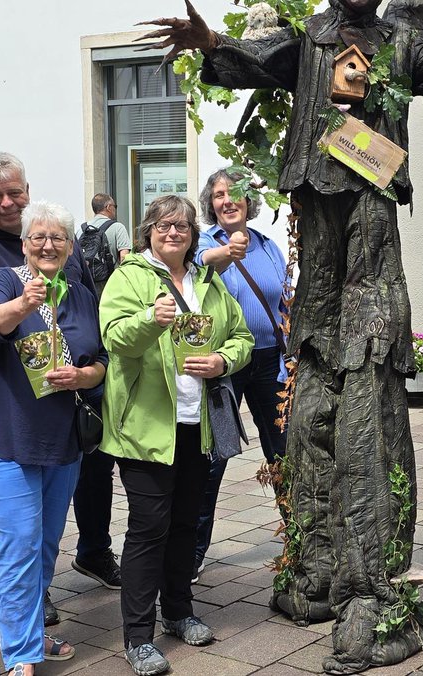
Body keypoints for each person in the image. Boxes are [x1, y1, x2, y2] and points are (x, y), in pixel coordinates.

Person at [139, 4, 423, 668]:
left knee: (365, 413)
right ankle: (316, 569)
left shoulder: (398, 43)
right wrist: (211, 41)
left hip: (371, 197)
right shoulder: (311, 39)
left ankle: (373, 595)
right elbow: (255, 61)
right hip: (315, 194)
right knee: (311, 411)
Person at [0, 152, 119, 620]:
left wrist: (89, 374)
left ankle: (81, 560)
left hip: (63, 411)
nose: (6, 202)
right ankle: (26, 623)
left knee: (65, 508)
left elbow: (84, 320)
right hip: (5, 407)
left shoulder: (63, 251)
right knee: (23, 532)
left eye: (14, 193)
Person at [98, 195, 253, 676]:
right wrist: (151, 319)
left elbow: (242, 337)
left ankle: (179, 611)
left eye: (182, 226)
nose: (173, 233)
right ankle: (138, 636)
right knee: (149, 528)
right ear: (149, 231)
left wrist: (222, 360)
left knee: (187, 521)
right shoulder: (129, 277)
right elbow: (114, 337)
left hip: (197, 423)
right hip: (145, 427)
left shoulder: (208, 280)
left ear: (192, 234)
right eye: (164, 225)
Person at [0, 200, 107, 676]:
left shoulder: (80, 294)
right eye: (38, 237)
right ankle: (21, 654)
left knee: (43, 544)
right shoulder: (4, 280)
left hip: (59, 439)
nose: (47, 245)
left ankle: (33, 632)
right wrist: (25, 303)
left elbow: (101, 360)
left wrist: (83, 376)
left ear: (70, 247)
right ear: (24, 245)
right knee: (21, 540)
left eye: (57, 237)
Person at [192, 168, 289, 582]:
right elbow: (197, 268)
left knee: (283, 451)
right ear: (210, 204)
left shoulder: (268, 246)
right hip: (225, 364)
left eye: (235, 193)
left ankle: (299, 539)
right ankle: (192, 554)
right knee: (214, 457)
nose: (227, 200)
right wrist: (225, 253)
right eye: (218, 195)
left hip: (269, 362)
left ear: (249, 201)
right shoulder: (202, 243)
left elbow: (284, 299)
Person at [78, 193, 132, 296]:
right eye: (115, 206)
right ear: (108, 207)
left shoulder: (81, 230)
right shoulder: (118, 227)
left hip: (87, 286)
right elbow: (124, 257)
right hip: (112, 285)